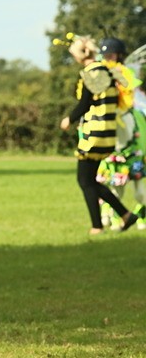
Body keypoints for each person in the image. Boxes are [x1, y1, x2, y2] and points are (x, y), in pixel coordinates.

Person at [60, 35, 139, 234]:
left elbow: (85, 103)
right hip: (108, 132)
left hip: (94, 133)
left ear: (81, 55)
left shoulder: (92, 72)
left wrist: (69, 119)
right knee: (89, 181)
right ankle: (123, 216)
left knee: (85, 181)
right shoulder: (109, 70)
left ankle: (99, 225)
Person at [96, 38, 146, 228]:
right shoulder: (98, 73)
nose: (108, 58)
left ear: (119, 56)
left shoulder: (125, 73)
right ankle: (113, 213)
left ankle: (141, 212)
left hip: (126, 112)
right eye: (105, 55)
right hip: (108, 118)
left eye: (111, 55)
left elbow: (129, 91)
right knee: (117, 186)